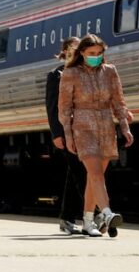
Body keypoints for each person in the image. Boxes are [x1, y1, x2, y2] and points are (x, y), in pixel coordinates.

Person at [57, 34, 133, 237]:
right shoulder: (70, 73)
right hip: (82, 127)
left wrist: (125, 127)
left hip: (106, 126)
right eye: (91, 53)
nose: (96, 57)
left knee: (94, 177)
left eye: (99, 53)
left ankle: (88, 221)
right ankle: (107, 214)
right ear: (82, 53)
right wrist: (68, 136)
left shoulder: (110, 72)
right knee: (96, 172)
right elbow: (64, 109)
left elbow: (119, 101)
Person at [45, 37, 85, 235]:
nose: (75, 53)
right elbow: (52, 108)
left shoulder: (86, 73)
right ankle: (97, 213)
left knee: (75, 174)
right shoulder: (56, 75)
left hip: (86, 130)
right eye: (71, 49)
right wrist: (57, 134)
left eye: (78, 49)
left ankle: (67, 219)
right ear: (64, 52)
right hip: (67, 132)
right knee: (81, 172)